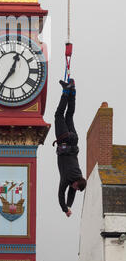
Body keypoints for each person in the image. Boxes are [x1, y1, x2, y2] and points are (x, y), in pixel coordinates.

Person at [54, 78, 86, 217]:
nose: (73, 189)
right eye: (76, 188)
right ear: (77, 183)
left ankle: (72, 90)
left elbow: (71, 194)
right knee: (59, 115)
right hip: (64, 140)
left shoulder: (77, 177)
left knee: (69, 115)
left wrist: (68, 207)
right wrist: (64, 209)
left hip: (74, 140)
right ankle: (65, 91)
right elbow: (61, 194)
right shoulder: (68, 178)